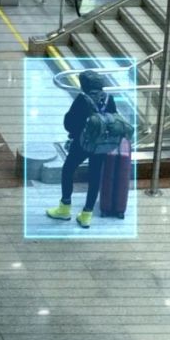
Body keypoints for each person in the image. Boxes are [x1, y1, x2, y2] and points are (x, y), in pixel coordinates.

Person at [45, 71, 119, 229]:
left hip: (81, 144)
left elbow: (69, 123)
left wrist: (76, 131)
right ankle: (86, 215)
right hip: (101, 145)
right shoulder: (109, 99)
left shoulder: (82, 99)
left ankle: (64, 208)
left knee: (68, 170)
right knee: (94, 177)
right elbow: (114, 119)